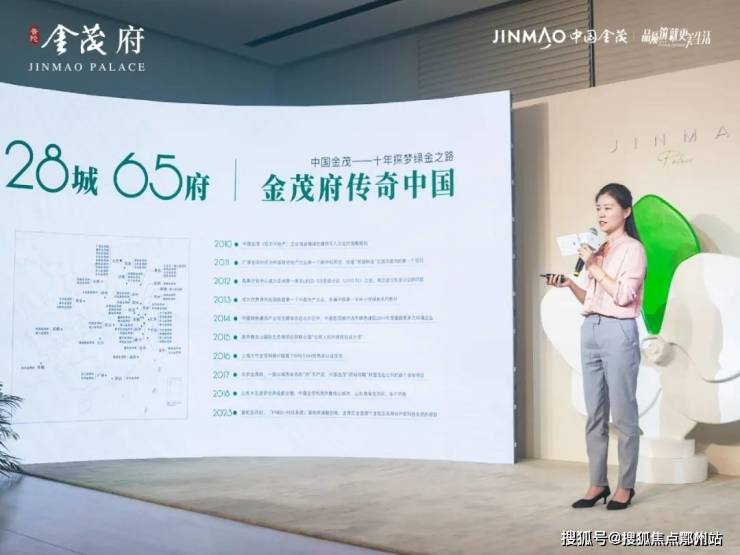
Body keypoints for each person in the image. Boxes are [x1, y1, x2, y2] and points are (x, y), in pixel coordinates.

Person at [546, 183, 647, 510]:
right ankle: (597, 483)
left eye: (608, 207)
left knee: (624, 414)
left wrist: (593, 266)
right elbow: (593, 299)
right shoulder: (599, 249)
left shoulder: (633, 250)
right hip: (590, 329)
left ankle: (625, 486)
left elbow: (623, 297)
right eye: (598, 208)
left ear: (626, 211)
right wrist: (570, 284)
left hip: (619, 332)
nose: (601, 214)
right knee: (595, 414)